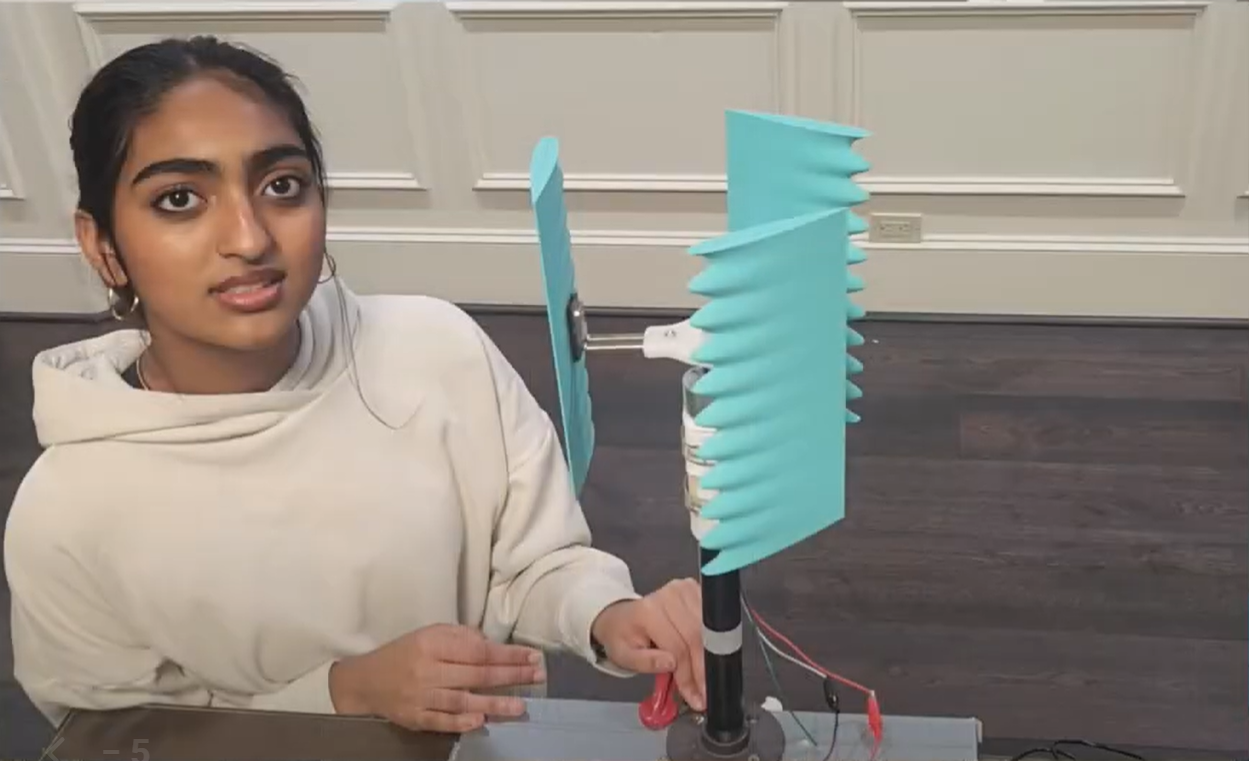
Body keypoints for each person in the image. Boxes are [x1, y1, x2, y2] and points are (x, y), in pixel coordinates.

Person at [3, 35, 706, 734]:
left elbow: (534, 564)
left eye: (281, 186)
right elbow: (110, 738)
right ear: (102, 246)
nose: (249, 238)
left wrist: (609, 613)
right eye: (180, 198)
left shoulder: (440, 348)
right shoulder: (64, 515)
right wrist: (343, 693)